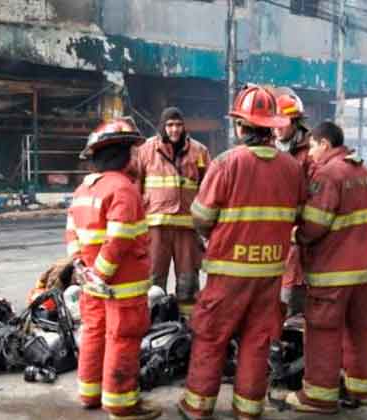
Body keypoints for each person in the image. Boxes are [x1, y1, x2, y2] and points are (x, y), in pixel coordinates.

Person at [176, 85, 307, 420]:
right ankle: (248, 410)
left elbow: (202, 217)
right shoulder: (292, 168)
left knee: (211, 336)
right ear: (272, 126)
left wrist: (216, 236)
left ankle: (197, 407)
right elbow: (296, 215)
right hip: (269, 274)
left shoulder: (226, 163)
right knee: (257, 340)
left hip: (228, 273)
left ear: (240, 125)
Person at [65, 117, 162, 420]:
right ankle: (121, 404)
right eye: (133, 151)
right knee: (123, 338)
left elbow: (71, 234)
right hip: (121, 285)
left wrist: (84, 269)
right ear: (121, 154)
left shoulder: (83, 189)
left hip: (91, 283)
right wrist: (102, 274)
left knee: (93, 332)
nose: (137, 157)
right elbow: (119, 238)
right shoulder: (123, 188)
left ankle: (90, 393)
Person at [284, 121, 367, 414]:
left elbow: (315, 225)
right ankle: (361, 389)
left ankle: (318, 396)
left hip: (333, 273)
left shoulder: (328, 175)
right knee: (358, 330)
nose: (310, 152)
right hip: (365, 272)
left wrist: (293, 235)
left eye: (312, 146)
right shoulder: (366, 173)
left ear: (324, 144)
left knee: (322, 332)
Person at [130, 107, 211, 315]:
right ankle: (154, 322)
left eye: (178, 125)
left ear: (184, 126)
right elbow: (135, 187)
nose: (174, 130)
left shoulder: (199, 151)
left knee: (188, 281)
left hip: (187, 228)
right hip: (156, 228)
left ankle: (188, 325)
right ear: (163, 127)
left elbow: (208, 189)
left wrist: (207, 227)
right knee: (154, 280)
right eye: (170, 125)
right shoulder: (146, 150)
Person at [273, 88, 313, 315]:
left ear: (296, 121)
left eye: (283, 121)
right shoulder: (268, 147)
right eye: (274, 121)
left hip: (299, 236)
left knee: (292, 296)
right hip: (272, 235)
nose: (277, 126)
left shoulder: (311, 151)